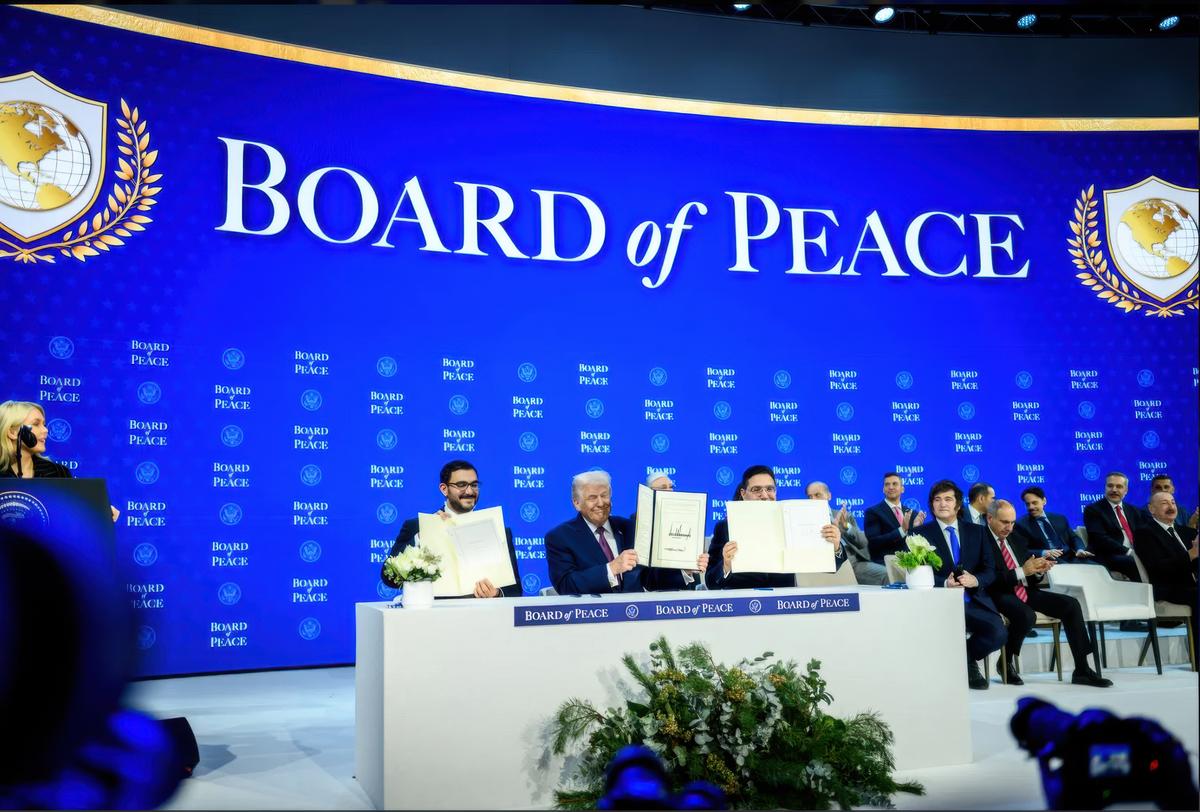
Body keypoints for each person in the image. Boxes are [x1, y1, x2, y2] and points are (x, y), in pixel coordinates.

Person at [983, 500, 1111, 688]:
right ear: (990, 518)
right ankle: (1006, 661)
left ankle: (1082, 669)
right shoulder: (980, 539)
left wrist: (1038, 570)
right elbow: (988, 578)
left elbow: (1029, 571)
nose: (1009, 527)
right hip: (999, 593)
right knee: (1026, 615)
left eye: (1012, 522)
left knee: (1071, 604)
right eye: (1004, 522)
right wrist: (1022, 571)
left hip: (1025, 590)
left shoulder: (1015, 537)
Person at [910, 479, 1005, 690]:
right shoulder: (919, 535)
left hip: (974, 600)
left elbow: (990, 570)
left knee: (998, 634)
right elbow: (915, 573)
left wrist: (975, 580)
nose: (942, 504)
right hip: (939, 601)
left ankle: (965, 658)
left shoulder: (978, 531)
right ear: (931, 505)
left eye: (948, 499)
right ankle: (969, 668)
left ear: (958, 504)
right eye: (937, 500)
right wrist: (944, 583)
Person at [546, 470, 706, 595]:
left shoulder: (630, 528)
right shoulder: (560, 537)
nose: (600, 503)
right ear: (576, 503)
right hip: (592, 619)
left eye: (604, 495)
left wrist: (685, 570)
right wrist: (611, 569)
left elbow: (650, 579)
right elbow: (566, 585)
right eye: (592, 498)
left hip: (636, 617)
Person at [380, 459, 521, 597]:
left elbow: (515, 590)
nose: (469, 491)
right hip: (433, 611)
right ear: (444, 489)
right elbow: (389, 578)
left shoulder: (499, 530)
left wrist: (496, 593)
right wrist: (425, 534)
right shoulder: (417, 527)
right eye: (461, 485)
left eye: (474, 485)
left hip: (482, 610)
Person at [705, 465, 843, 590]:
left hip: (784, 604)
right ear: (743, 493)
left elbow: (829, 566)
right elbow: (711, 581)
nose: (764, 495)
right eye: (756, 490)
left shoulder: (792, 520)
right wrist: (726, 565)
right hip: (741, 604)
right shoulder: (724, 527)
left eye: (770, 489)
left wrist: (835, 546)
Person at [0, 400, 120, 522]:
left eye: (44, 424)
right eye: (36, 424)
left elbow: (73, 517)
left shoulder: (59, 472)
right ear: (12, 432)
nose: (45, 430)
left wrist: (100, 514)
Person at [1134, 491, 1198, 646]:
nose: (1171, 506)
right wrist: (1190, 554)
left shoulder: (1186, 532)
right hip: (1167, 588)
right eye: (1164, 503)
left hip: (1191, 585)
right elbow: (1157, 568)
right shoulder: (1145, 533)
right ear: (1152, 509)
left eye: (1173, 502)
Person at [805, 480, 887, 585]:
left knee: (887, 574)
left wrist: (846, 526)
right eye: (810, 497)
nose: (813, 500)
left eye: (817, 495)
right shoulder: (805, 520)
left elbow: (863, 543)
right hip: (826, 565)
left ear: (829, 496)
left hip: (853, 562)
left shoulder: (844, 515)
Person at [1082, 472, 1143, 583]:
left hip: (1133, 552)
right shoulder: (1093, 510)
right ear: (1105, 488)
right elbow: (1100, 539)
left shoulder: (1134, 511)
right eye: (1110, 486)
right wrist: (1129, 552)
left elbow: (1143, 534)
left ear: (1126, 490)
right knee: (1134, 562)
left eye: (1119, 486)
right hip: (1107, 555)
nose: (1114, 490)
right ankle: (1146, 592)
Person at [1014, 486, 1094, 563]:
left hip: (1071, 557)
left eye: (1034, 503)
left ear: (1044, 501)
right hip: (1048, 561)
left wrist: (1079, 549)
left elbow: (1073, 537)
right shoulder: (1021, 524)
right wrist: (1044, 552)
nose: (1031, 507)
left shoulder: (1059, 518)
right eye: (1027, 504)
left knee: (1095, 567)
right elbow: (1022, 550)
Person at [863, 472, 925, 564]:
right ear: (883, 489)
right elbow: (874, 542)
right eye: (887, 484)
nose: (891, 487)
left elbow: (916, 543)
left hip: (911, 562)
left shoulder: (913, 514)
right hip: (885, 563)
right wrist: (902, 530)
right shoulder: (873, 512)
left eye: (894, 484)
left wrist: (915, 528)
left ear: (902, 489)